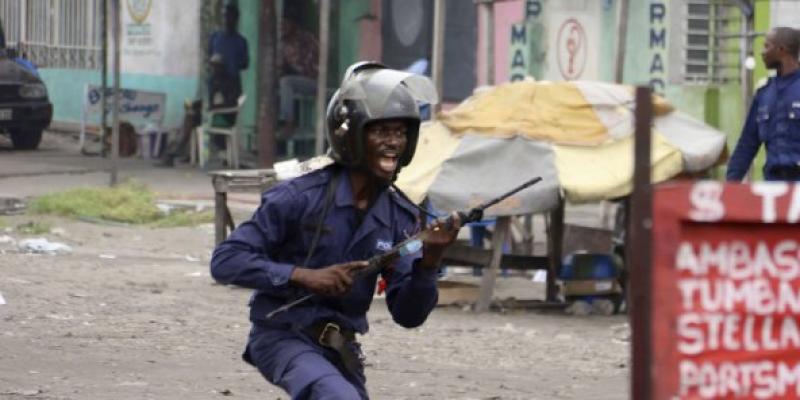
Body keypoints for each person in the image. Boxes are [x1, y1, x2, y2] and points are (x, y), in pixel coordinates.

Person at [210, 62, 459, 399]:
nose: (393, 143)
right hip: (282, 337)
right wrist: (302, 275)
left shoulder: (400, 216)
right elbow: (226, 261)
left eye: (400, 133)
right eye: (381, 132)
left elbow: (408, 315)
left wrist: (431, 259)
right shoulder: (299, 198)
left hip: (341, 353)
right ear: (350, 135)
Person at [727, 27, 800, 181]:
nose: (762, 52)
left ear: (781, 50)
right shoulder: (764, 93)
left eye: (767, 46)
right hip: (773, 186)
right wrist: (730, 185)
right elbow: (747, 145)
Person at [276, 10, 319, 138]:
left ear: (294, 23)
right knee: (275, 83)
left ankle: (289, 123)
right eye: (281, 23)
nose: (283, 26)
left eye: (286, 23)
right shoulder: (283, 42)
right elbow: (279, 66)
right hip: (294, 80)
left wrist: (292, 69)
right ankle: (275, 123)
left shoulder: (306, 39)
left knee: (286, 82)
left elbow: (310, 68)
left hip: (312, 80)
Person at [208, 3, 248, 105]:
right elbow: (210, 56)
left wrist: (231, 63)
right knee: (216, 111)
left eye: (230, 17)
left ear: (236, 19)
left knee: (231, 111)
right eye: (225, 16)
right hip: (216, 84)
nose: (227, 20)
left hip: (232, 84)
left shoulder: (240, 41)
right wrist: (216, 63)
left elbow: (245, 64)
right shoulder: (215, 38)